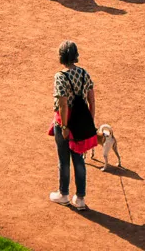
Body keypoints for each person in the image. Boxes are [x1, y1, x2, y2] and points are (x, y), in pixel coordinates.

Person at [50, 40, 96, 210]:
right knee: (79, 159)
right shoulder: (84, 73)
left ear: (61, 57)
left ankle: (63, 194)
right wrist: (89, 122)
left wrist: (63, 126)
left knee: (64, 160)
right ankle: (80, 198)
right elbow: (91, 98)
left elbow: (62, 103)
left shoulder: (60, 77)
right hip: (81, 120)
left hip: (66, 120)